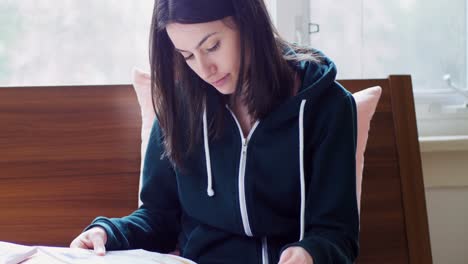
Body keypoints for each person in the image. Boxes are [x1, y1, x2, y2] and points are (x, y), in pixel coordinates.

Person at [70, 0, 359, 263]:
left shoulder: (327, 107)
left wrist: (311, 253)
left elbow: (336, 233)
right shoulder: (180, 108)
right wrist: (109, 233)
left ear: (248, 21)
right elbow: (159, 217)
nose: (205, 70)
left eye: (211, 47)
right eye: (188, 56)